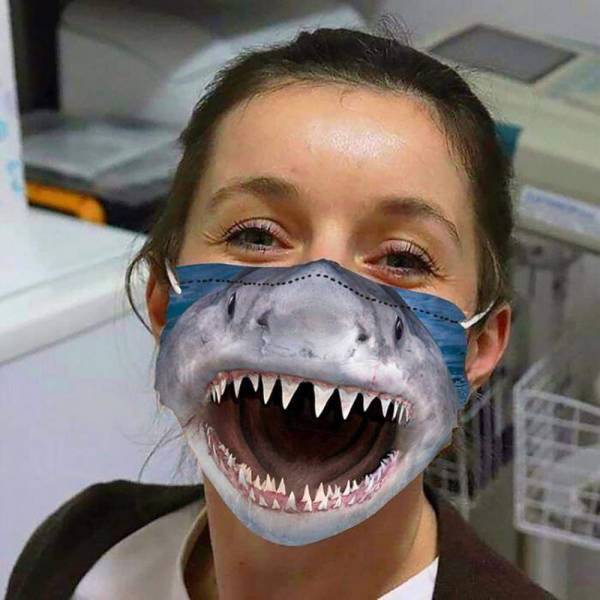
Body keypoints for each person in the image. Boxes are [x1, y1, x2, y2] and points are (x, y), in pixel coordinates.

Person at [8, 26, 557, 600]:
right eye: (256, 235)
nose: (314, 311)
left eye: (402, 258)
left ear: (478, 348)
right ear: (164, 302)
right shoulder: (81, 549)